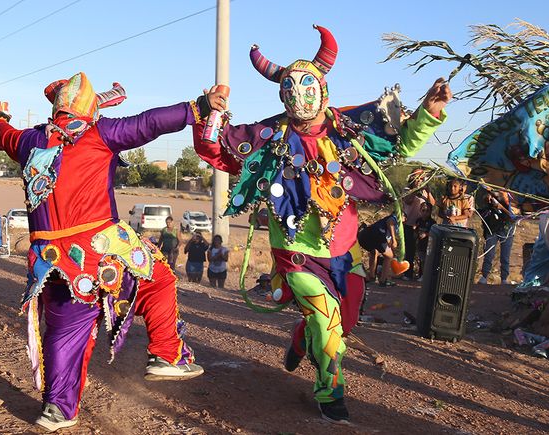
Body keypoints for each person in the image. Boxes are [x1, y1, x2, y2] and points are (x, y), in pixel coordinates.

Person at [192, 25, 450, 423]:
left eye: (307, 87)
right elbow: (217, 149)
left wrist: (429, 114)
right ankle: (330, 393)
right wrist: (209, 112)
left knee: (342, 323)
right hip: (296, 253)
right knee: (327, 323)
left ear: (323, 90)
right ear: (282, 95)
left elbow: (396, 147)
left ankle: (301, 339)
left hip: (345, 250)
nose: (299, 97)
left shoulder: (348, 129)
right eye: (290, 90)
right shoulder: (268, 136)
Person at [0, 73, 205, 432]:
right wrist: (197, 108)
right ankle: (166, 354)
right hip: (98, 247)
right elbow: (150, 122)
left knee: (64, 331)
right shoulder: (98, 134)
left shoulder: (28, 141)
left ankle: (57, 410)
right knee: (159, 277)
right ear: (90, 109)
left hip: (49, 261)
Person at [477, 187, 517, 285]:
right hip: (492, 229)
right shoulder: (492, 200)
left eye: (502, 192)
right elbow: (482, 207)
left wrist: (501, 207)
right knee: (489, 254)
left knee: (505, 256)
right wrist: (488, 199)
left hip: (507, 231)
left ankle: (504, 278)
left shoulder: (514, 204)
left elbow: (513, 217)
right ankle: (484, 276)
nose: (499, 193)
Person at [402, 168, 436, 280]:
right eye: (417, 178)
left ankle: (421, 274)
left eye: (421, 178)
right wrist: (416, 189)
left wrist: (428, 191)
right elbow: (408, 200)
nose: (419, 180)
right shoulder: (407, 189)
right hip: (409, 224)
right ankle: (408, 273)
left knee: (423, 251)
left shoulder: (425, 191)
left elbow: (432, 204)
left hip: (422, 225)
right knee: (409, 250)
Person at [357, 214, 400, 287]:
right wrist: (394, 239)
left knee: (374, 252)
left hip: (364, 235)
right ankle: (383, 280)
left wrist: (392, 246)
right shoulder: (394, 218)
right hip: (376, 234)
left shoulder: (385, 223)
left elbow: (387, 241)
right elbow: (390, 222)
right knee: (389, 256)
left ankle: (371, 276)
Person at [415, 201, 437, 279]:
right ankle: (420, 274)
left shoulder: (432, 222)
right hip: (420, 243)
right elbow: (416, 230)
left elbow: (433, 233)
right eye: (423, 210)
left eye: (427, 211)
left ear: (430, 211)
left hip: (428, 244)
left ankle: (425, 275)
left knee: (426, 261)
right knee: (421, 260)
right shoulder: (418, 221)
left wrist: (426, 234)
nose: (425, 213)